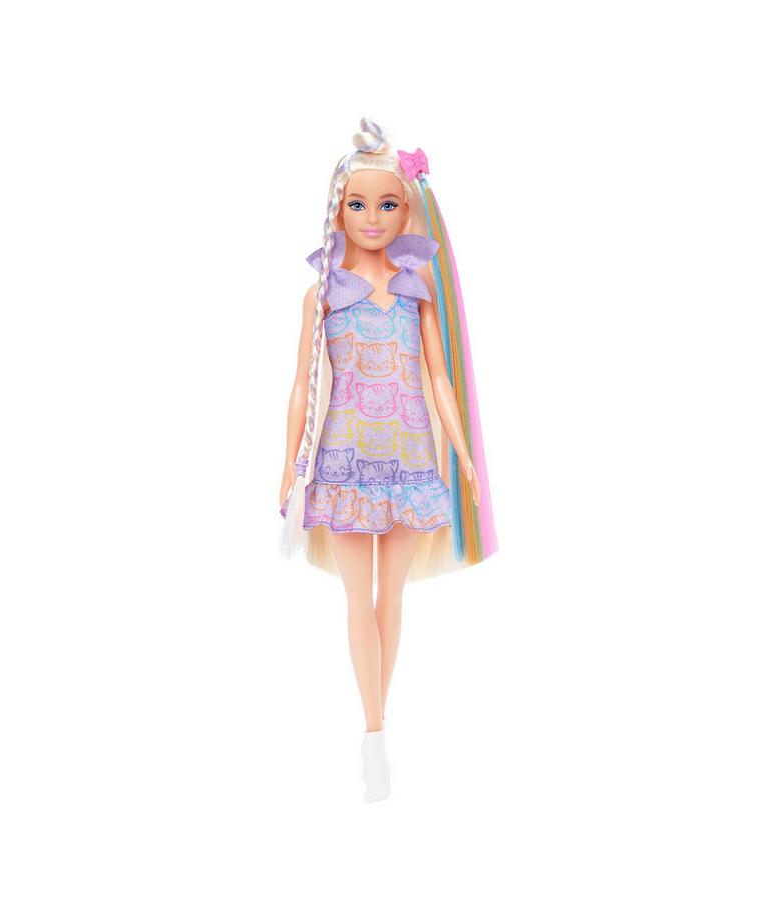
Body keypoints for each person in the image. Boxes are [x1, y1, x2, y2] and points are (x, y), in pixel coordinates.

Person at [279, 117, 498, 802]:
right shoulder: (324, 294)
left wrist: (463, 455)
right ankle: (372, 734)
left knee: (391, 597)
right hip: (344, 463)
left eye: (386, 204)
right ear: (338, 209)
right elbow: (303, 384)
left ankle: (379, 724)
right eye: (358, 204)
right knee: (357, 599)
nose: (372, 218)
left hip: (409, 462)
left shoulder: (415, 290)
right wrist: (289, 467)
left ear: (406, 210)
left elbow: (439, 379)